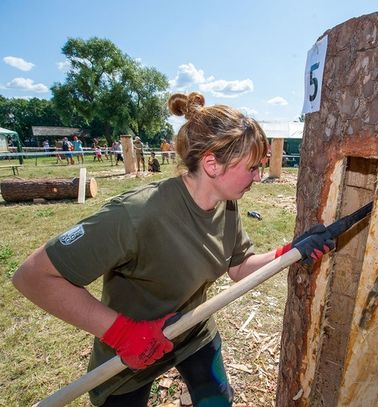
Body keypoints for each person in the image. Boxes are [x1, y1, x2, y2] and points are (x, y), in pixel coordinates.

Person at [12, 91, 335, 407]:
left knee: (218, 401)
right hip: (130, 351)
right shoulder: (136, 214)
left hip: (192, 329)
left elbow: (239, 268)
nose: (259, 176)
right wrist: (124, 334)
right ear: (212, 164)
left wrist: (291, 252)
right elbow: (33, 276)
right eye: (252, 167)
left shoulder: (226, 205)